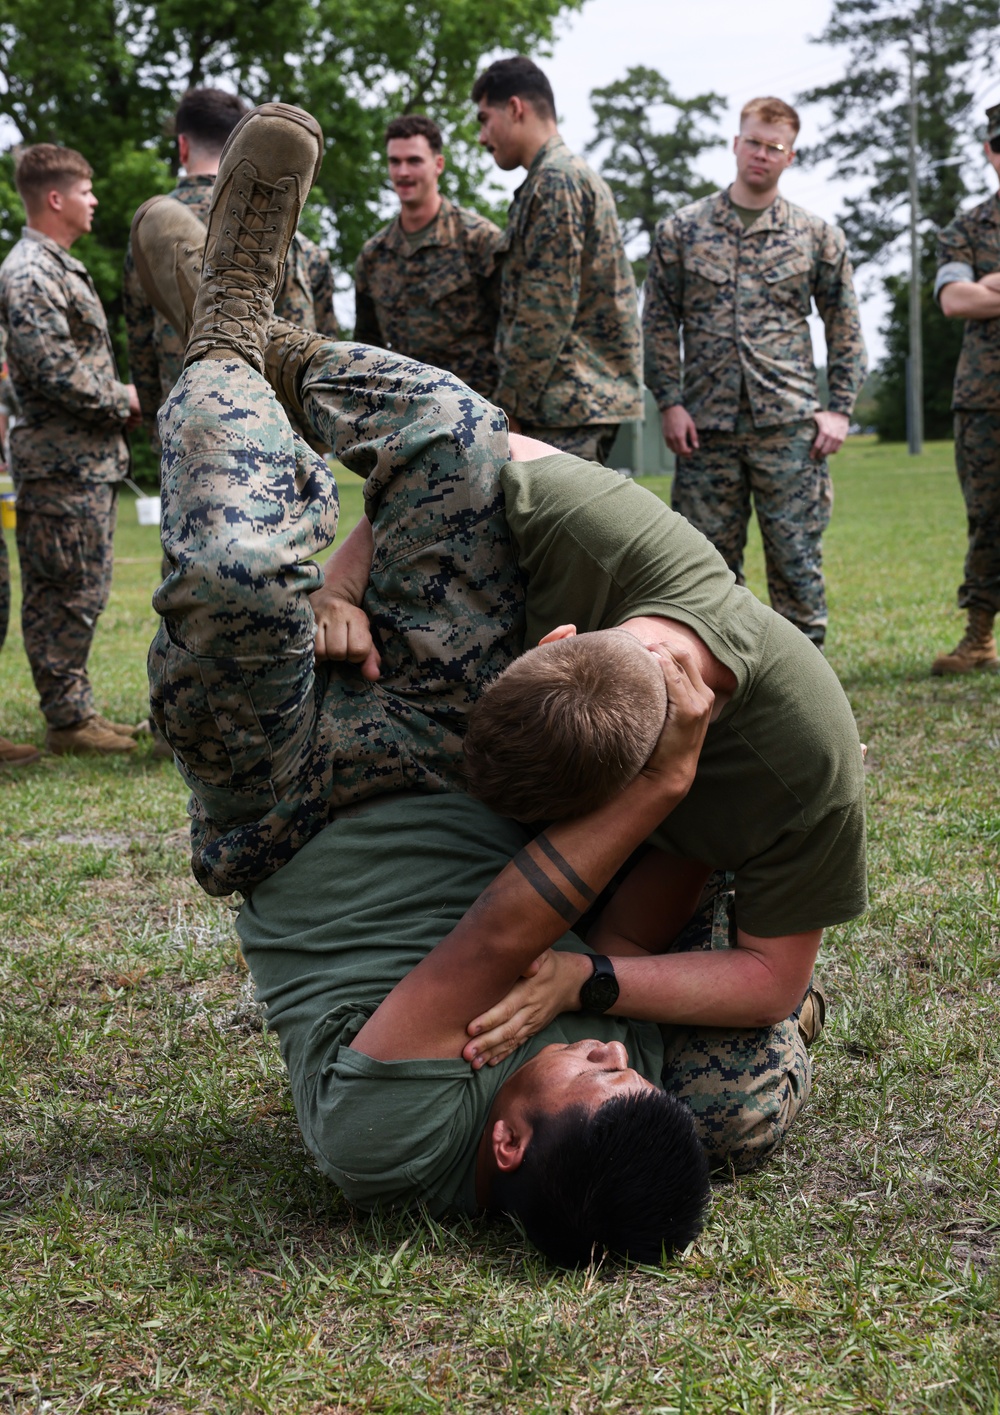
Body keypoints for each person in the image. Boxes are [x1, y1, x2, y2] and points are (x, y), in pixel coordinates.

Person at [134, 103, 816, 1264]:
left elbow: (500, 934)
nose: (617, 1050)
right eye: (623, 1062)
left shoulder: (389, 1147)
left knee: (238, 579)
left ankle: (225, 328)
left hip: (282, 807)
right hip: (458, 749)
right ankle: (274, 344)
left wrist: (656, 788)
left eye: (597, 1071)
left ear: (506, 1145)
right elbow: (649, 880)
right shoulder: (628, 1084)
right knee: (462, 440)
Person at [643, 96, 867, 649]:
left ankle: (804, 702)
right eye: (753, 142)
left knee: (797, 569)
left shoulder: (816, 236)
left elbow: (846, 325)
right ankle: (722, 699)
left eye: (774, 147)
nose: (761, 155)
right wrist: (669, 401)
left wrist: (839, 407)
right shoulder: (682, 231)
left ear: (790, 156)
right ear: (735, 144)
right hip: (705, 432)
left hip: (789, 430)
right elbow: (657, 322)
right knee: (704, 574)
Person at [0, 144, 141, 754]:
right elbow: (55, 372)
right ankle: (66, 720)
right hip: (59, 467)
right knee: (62, 592)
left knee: (83, 589)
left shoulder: (55, 265)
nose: (95, 201)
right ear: (55, 199)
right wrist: (126, 398)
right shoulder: (31, 273)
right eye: (86, 191)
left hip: (81, 462)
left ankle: (76, 710)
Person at [123, 86, 340, 447]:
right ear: (234, 141)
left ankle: (217, 337)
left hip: (189, 429)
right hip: (289, 434)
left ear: (183, 146)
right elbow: (323, 331)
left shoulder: (147, 239)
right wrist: (315, 434)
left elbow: (141, 348)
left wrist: (157, 428)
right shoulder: (302, 244)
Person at [472, 56, 642, 464]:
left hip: (564, 404)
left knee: (554, 529)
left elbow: (545, 309)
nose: (482, 136)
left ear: (515, 108)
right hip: (566, 400)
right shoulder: (555, 178)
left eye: (484, 119)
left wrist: (509, 409)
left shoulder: (556, 181)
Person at [353, 114, 502, 398]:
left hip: (477, 410)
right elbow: (366, 347)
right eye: (394, 162)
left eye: (414, 161)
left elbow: (511, 331)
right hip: (406, 412)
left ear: (438, 165)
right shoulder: (374, 257)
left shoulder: (479, 240)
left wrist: (510, 409)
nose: (403, 172)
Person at [930, 101, 1000, 675]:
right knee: (989, 517)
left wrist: (993, 286)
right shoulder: (967, 228)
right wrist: (976, 289)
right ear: (988, 152)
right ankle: (978, 638)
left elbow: (977, 295)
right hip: (986, 401)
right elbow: (955, 299)